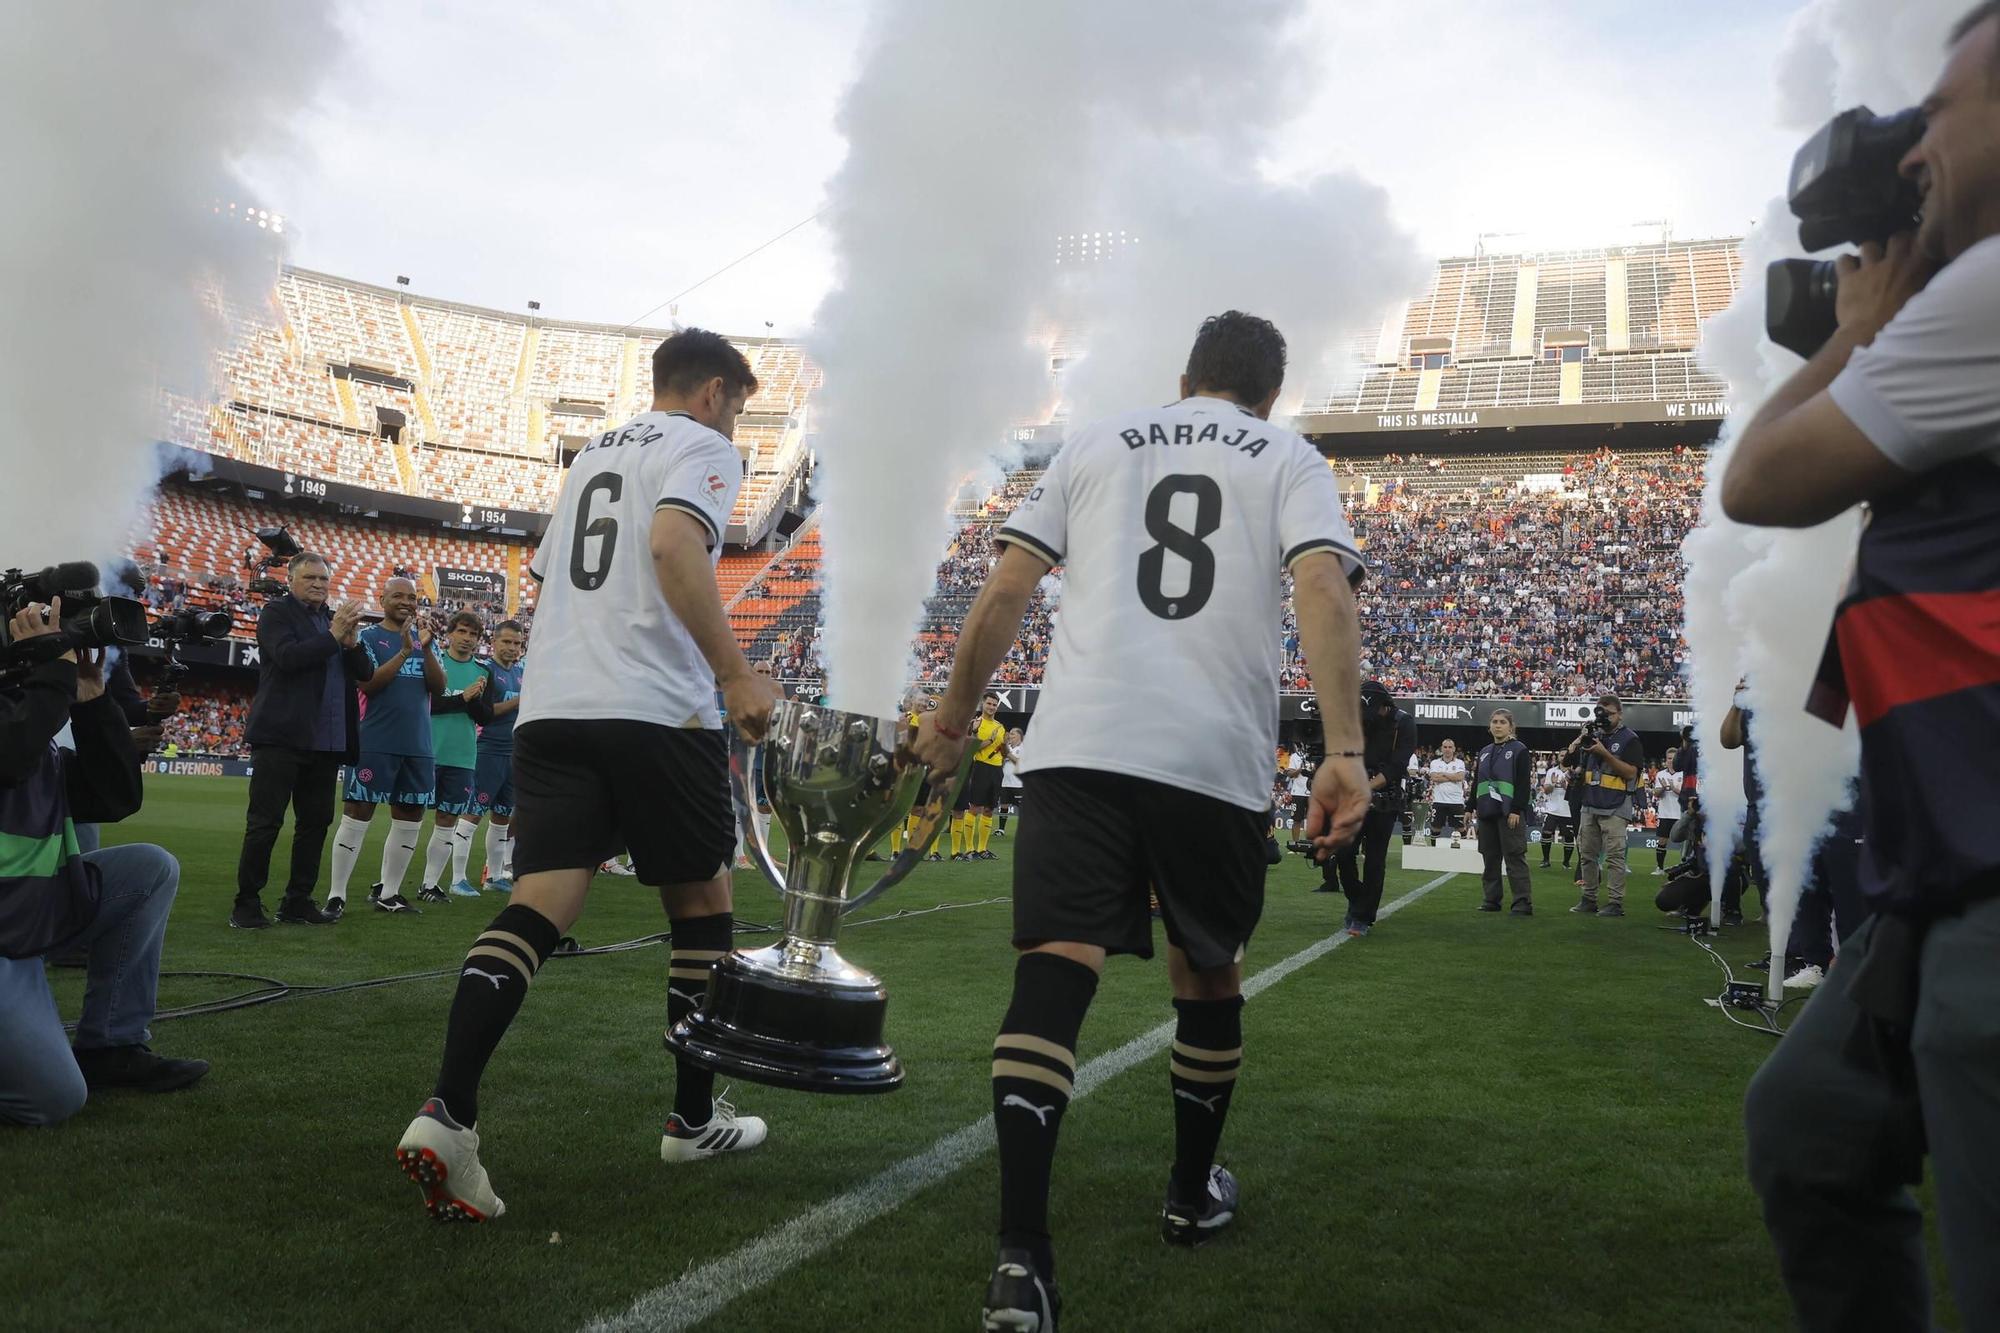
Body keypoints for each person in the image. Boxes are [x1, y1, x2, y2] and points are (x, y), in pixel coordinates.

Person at [909, 311, 1370, 1330]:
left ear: (1183, 378)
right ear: (1269, 394)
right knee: (1205, 972)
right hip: (1208, 754)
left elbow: (1004, 592)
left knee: (1052, 968)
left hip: (1078, 742)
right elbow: (1321, 585)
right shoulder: (1287, 455)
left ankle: (1020, 1261)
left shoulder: (1095, 441)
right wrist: (1341, 750)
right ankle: (1187, 1192)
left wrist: (950, 719)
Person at [1726, 23, 2000, 1301]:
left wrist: (1857, 332)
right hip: (1955, 836)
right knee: (1813, 1124)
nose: (1915, 147)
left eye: (1938, 113)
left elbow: (1759, 480)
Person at [394, 328, 781, 1222]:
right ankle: (691, 1118)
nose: (740, 422)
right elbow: (676, 550)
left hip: (556, 704)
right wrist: (732, 672)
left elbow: (553, 577)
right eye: (742, 406)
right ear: (715, 391)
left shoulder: (592, 455)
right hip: (653, 704)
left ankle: (448, 1110)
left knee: (537, 903)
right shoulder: (704, 445)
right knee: (702, 906)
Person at [0, 604, 208, 1124]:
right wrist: (49, 675)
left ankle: (111, 1045)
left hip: (24, 916)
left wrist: (92, 702)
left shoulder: (31, 727)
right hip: (7, 934)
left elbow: (114, 798)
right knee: (52, 1099)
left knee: (149, 869)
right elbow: (9, 756)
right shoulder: (21, 727)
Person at [230, 552, 369, 928]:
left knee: (315, 823)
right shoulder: (277, 614)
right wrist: (332, 637)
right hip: (282, 737)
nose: (319, 585)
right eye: (310, 578)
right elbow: (287, 658)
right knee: (265, 822)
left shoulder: (332, 620)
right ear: (291, 579)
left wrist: (353, 643)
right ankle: (246, 902)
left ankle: (297, 901)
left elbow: (365, 673)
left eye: (324, 579)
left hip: (326, 742)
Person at [326, 577, 443, 917]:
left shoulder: (424, 640)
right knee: (357, 813)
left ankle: (389, 893)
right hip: (375, 740)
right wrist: (406, 650)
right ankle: (337, 895)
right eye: (398, 596)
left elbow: (437, 686)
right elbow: (370, 684)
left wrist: (426, 647)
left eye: (411, 596)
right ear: (383, 599)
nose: (406, 601)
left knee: (410, 817)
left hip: (418, 744)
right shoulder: (367, 637)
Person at [1323, 682, 1416, 935]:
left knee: (1375, 859)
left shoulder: (1404, 724)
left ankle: (1363, 917)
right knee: (1343, 853)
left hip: (1385, 798)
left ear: (1386, 706)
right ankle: (1357, 900)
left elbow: (1397, 766)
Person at [415, 610, 493, 903]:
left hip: (462, 756)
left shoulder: (484, 672)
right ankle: (387, 884)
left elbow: (486, 716)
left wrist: (473, 701)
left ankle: (430, 884)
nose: (467, 638)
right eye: (462, 631)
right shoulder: (435, 663)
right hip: (425, 752)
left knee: (447, 818)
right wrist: (463, 698)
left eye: (473, 634)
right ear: (449, 634)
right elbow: (427, 705)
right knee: (408, 817)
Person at [1565, 694, 1642, 917]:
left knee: (1614, 857)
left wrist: (1604, 753)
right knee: (1587, 855)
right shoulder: (1592, 737)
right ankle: (1588, 898)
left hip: (1616, 805)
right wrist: (1580, 741)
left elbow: (1630, 773)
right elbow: (1568, 762)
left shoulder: (1630, 739)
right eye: (1600, 713)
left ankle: (1615, 903)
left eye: (1608, 714)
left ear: (1620, 714)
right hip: (1589, 803)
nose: (1604, 718)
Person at [464, 619, 526, 892]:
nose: (512, 648)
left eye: (517, 643)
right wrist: (518, 701)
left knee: (502, 817)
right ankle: (457, 879)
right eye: (507, 642)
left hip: (514, 752)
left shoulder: (521, 672)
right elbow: (484, 713)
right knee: (472, 813)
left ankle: (495, 875)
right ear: (493, 642)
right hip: (488, 749)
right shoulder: (485, 671)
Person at [1471, 709, 1533, 915]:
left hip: (1509, 812)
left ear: (1511, 726)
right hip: (1486, 811)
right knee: (1489, 858)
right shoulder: (1485, 751)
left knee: (1515, 858)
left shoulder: (1519, 749)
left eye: (1502, 722)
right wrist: (1470, 806)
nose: (1498, 725)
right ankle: (1491, 900)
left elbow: (1524, 783)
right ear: (1490, 726)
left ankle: (1522, 903)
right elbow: (1476, 782)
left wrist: (1517, 809)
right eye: (1495, 722)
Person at [951, 692, 1009, 861]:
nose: (992, 707)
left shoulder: (1000, 726)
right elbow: (970, 749)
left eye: (994, 704)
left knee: (990, 809)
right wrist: (990, 741)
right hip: (980, 767)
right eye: (989, 703)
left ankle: (982, 848)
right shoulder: (975, 724)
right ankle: (969, 849)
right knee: (975, 807)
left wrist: (1004, 745)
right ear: (983, 704)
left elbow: (1004, 754)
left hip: (997, 768)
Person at [1536, 752, 1575, 871]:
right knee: (1546, 833)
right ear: (1558, 758)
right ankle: (1546, 860)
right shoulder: (1551, 771)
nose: (1563, 757)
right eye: (1561, 755)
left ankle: (1566, 862)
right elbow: (1547, 791)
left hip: (1567, 810)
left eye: (1565, 755)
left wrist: (1565, 786)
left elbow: (1575, 792)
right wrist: (1553, 783)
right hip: (1552, 809)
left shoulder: (1573, 772)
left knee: (1568, 837)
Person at [1426, 737, 1468, 841]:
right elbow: (1434, 778)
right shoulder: (1435, 762)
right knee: (1435, 828)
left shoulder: (1460, 763)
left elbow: (1460, 777)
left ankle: (1462, 853)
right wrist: (1452, 777)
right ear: (1442, 749)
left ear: (1454, 749)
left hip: (1456, 801)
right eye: (1445, 747)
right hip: (1439, 800)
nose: (1447, 749)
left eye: (1450, 747)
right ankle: (1434, 852)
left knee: (1460, 828)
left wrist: (1443, 774)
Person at [1651, 746, 1683, 875]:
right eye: (1669, 758)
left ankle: (1684, 867)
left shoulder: (1683, 774)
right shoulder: (1660, 774)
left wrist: (1674, 788)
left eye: (1674, 758)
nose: (1671, 760)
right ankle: (1660, 868)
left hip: (1680, 814)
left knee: (1685, 843)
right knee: (1662, 841)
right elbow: (1656, 793)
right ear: (1666, 760)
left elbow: (1686, 793)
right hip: (1665, 814)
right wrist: (1663, 788)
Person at [996, 725, 1026, 837]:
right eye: (1010, 733)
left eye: (1013, 733)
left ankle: (1025, 830)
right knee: (1004, 805)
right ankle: (1001, 829)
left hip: (1018, 783)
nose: (1011, 735)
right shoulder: (1007, 747)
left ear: (1020, 736)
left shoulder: (1023, 748)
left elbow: (1019, 762)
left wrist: (1007, 754)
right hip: (1005, 782)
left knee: (1023, 808)